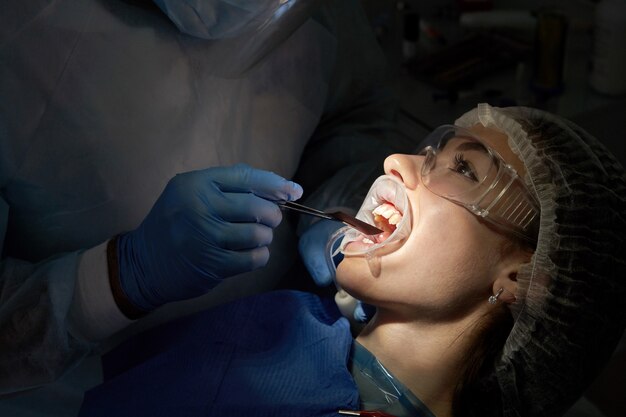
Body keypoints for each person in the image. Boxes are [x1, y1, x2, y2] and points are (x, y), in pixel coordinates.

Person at [75, 103, 626, 417]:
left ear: (525, 278)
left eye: (464, 170)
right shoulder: (270, 338)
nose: (397, 160)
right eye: (433, 150)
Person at [0, 1, 408, 415]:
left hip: (266, 352)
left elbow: (355, 116)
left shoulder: (318, 12)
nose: (401, 164)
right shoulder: (19, 30)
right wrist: (117, 278)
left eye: (463, 166)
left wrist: (336, 209)